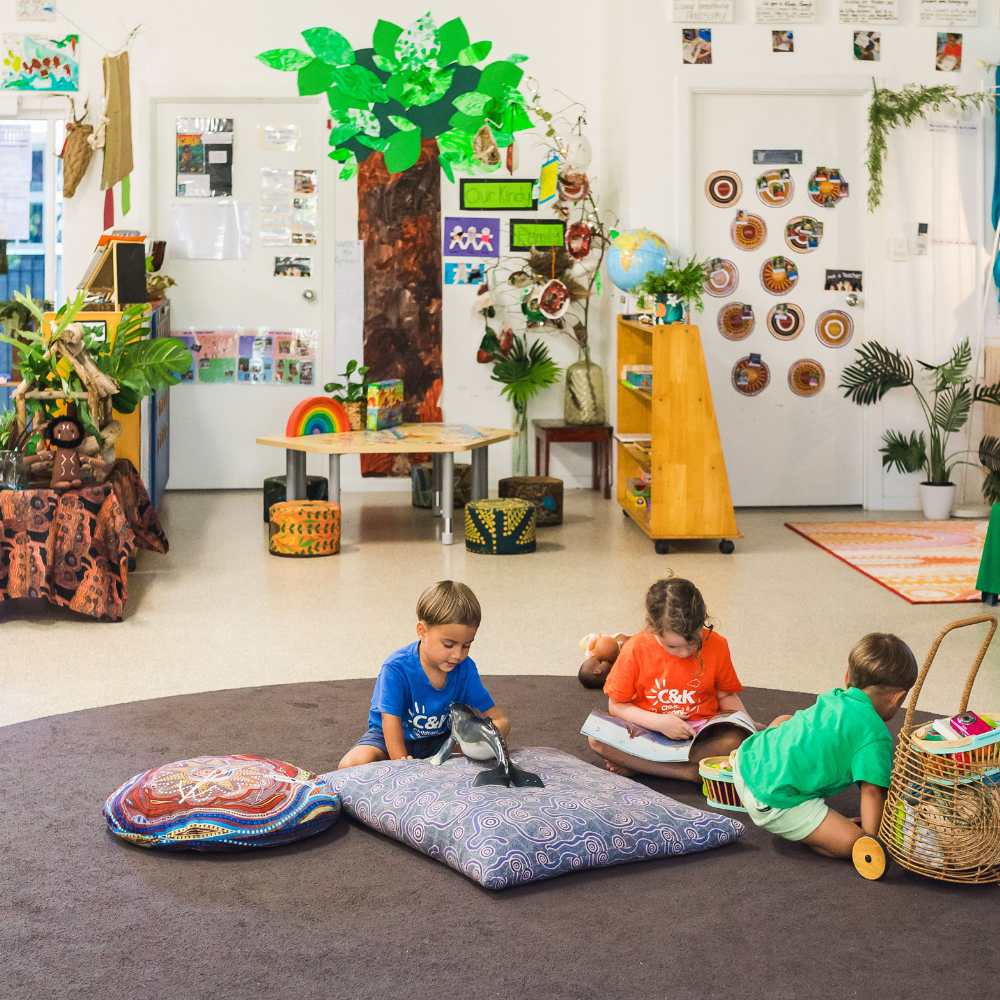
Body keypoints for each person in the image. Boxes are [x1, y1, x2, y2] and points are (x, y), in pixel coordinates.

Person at [732, 632, 917, 859]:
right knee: (854, 842)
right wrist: (870, 840)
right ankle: (817, 833)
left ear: (847, 676)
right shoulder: (876, 736)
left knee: (785, 720)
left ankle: (815, 828)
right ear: (897, 698)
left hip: (746, 761)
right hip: (773, 802)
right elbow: (873, 792)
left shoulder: (834, 697)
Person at [587, 573, 750, 782]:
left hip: (699, 736)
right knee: (597, 738)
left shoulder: (718, 645)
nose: (684, 653)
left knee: (736, 741)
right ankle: (688, 772)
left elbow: (726, 695)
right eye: (672, 646)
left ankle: (642, 766)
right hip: (648, 731)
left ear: (704, 615)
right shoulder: (634, 649)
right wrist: (659, 723)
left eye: (693, 643)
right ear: (653, 628)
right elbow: (617, 705)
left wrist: (747, 730)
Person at [338, 580, 509, 767]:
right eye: (448, 644)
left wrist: (493, 731)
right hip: (390, 739)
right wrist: (400, 763)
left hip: (443, 740)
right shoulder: (396, 668)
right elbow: (390, 721)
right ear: (422, 631)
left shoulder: (466, 668)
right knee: (351, 764)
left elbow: (496, 717)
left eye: (466, 645)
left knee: (492, 744)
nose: (457, 655)